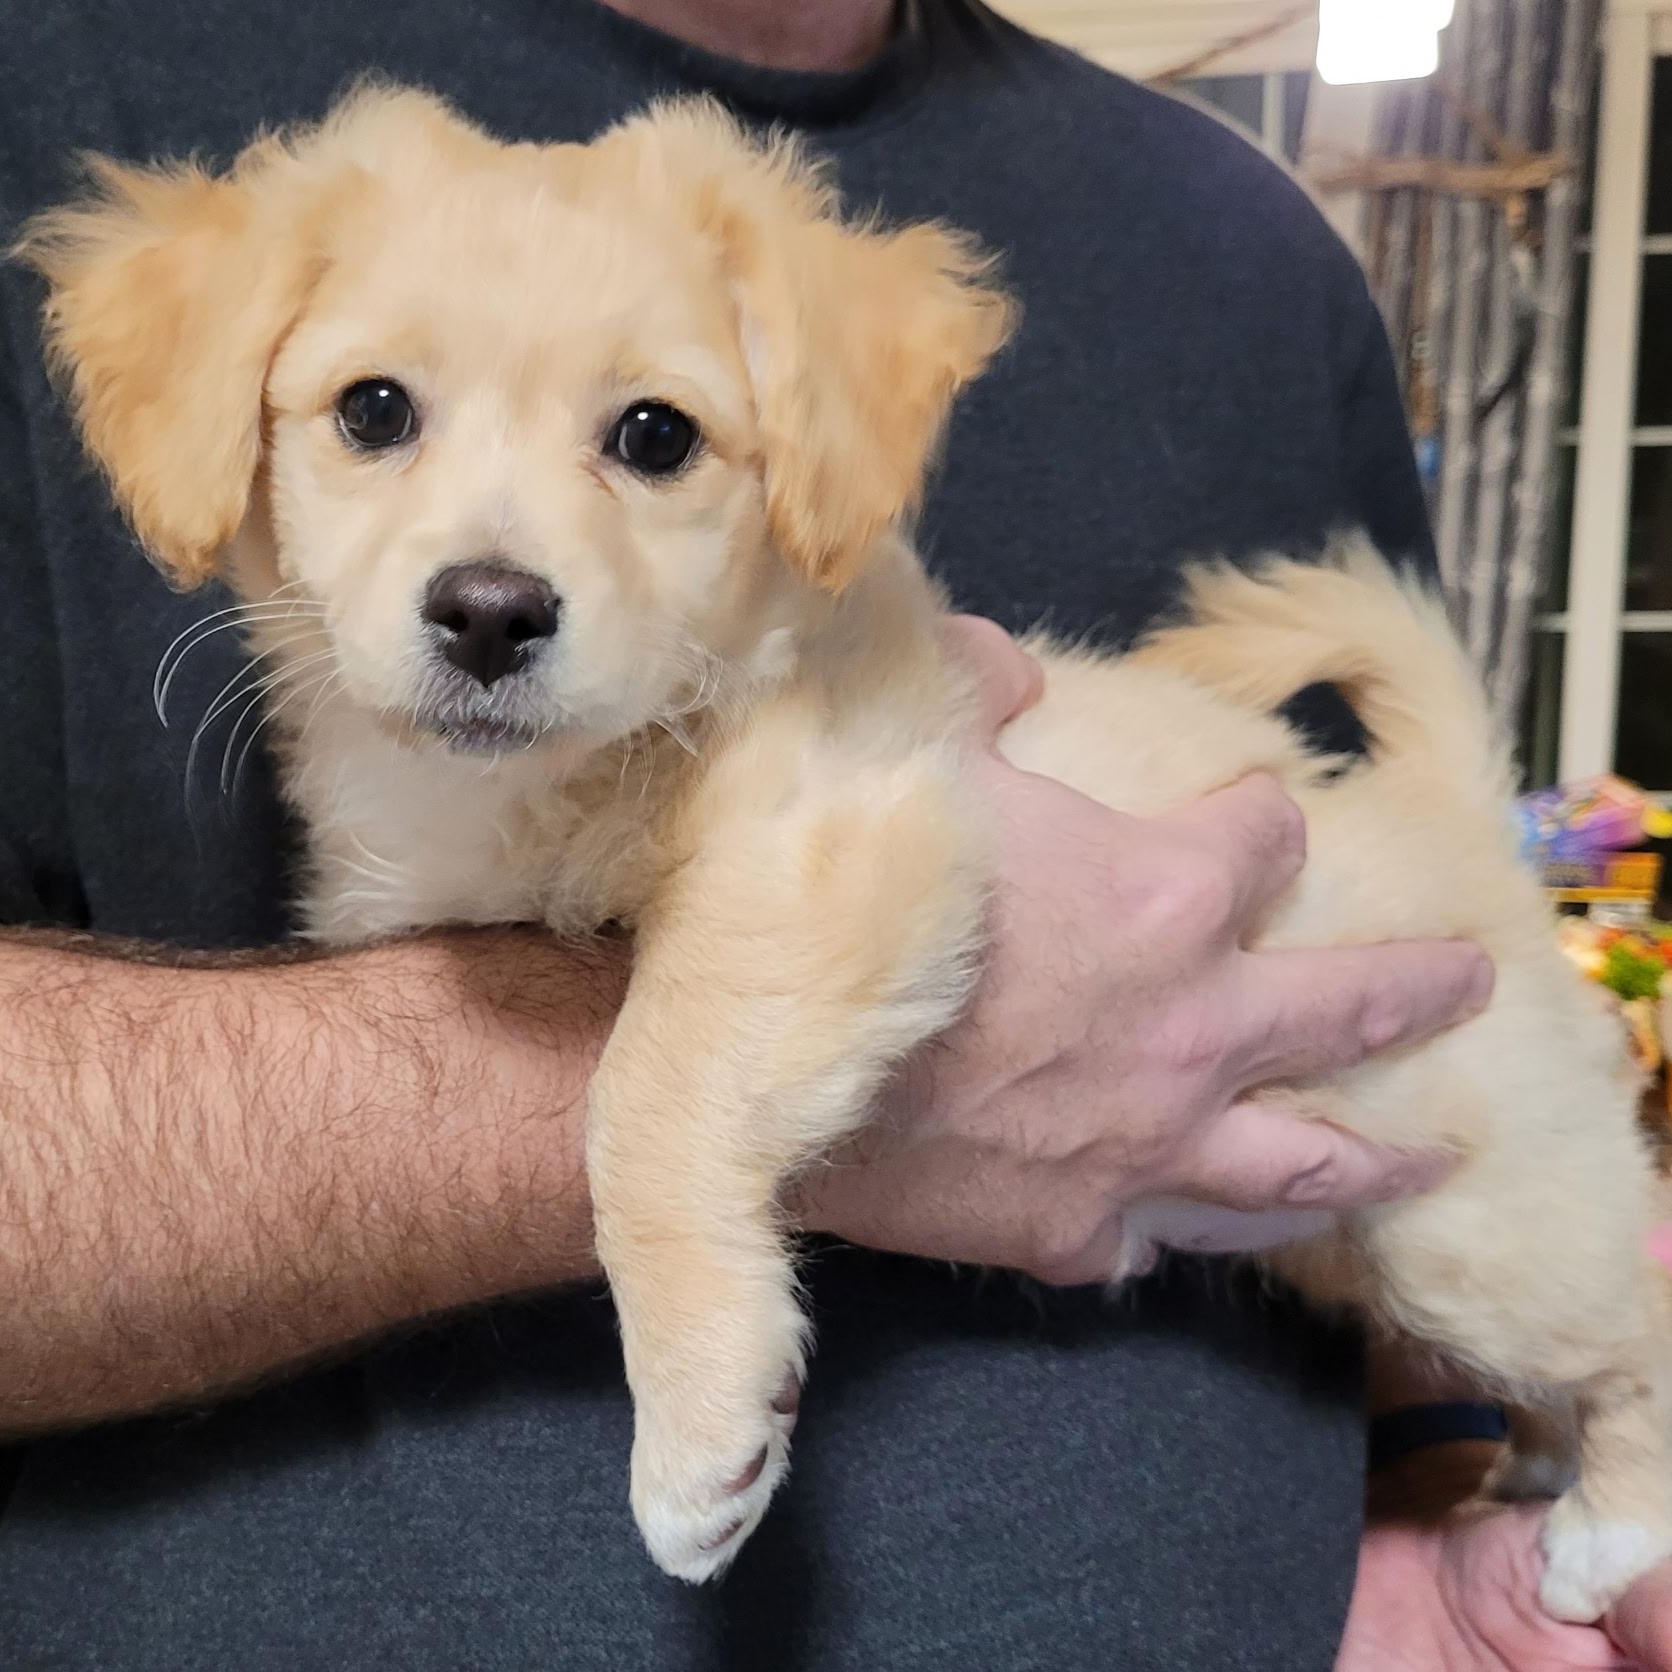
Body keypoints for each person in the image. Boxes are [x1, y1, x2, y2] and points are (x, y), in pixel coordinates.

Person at [0, 1, 1661, 1666]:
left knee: (1487, 1235)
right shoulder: (63, 63)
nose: (494, 572)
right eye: (376, 411)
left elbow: (1388, 1070)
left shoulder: (1256, 254)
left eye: (650, 437)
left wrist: (1428, 1505)